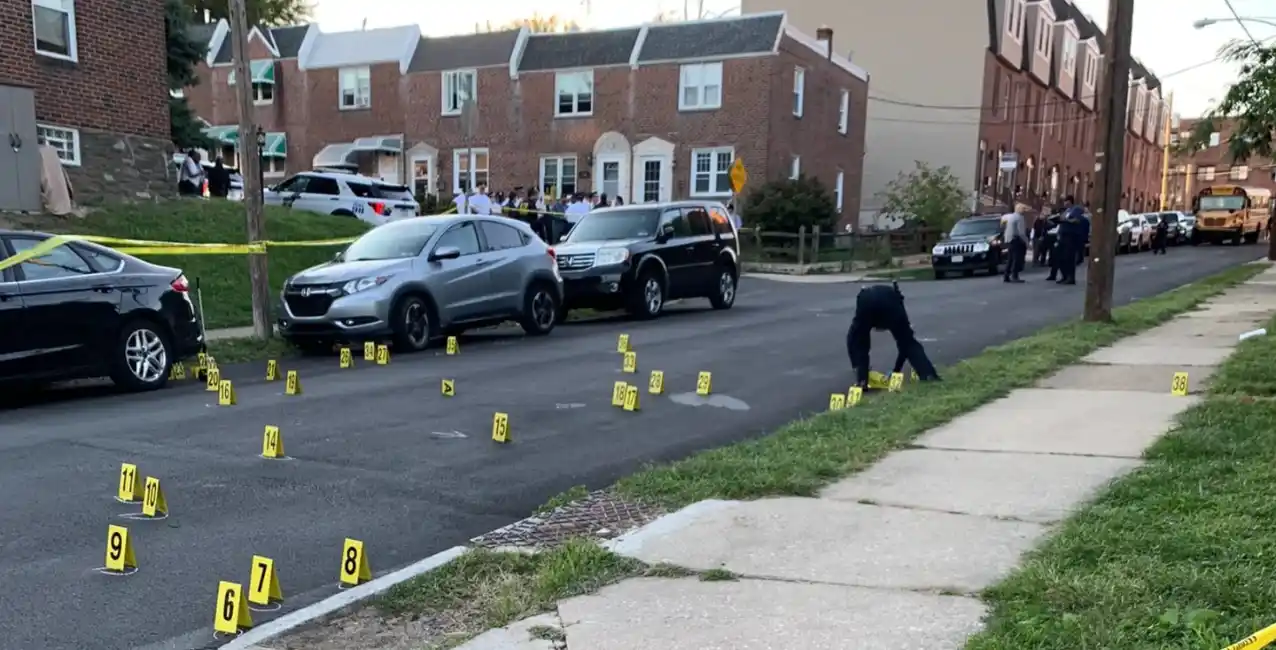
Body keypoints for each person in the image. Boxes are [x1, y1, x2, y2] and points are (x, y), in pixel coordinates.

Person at [846, 283, 940, 389]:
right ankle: (928, 375)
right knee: (909, 343)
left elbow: (853, 341)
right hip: (889, 304)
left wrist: (858, 366)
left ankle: (862, 380)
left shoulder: (869, 299)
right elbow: (904, 346)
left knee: (858, 340)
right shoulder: (896, 303)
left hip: (866, 301)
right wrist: (896, 370)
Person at [1002, 202, 1029, 283]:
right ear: (1020, 210)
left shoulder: (1008, 217)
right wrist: (1026, 241)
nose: (1025, 211)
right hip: (1017, 240)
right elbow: (1021, 232)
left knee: (1010, 258)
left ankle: (1006, 275)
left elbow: (1003, 225)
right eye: (1024, 209)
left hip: (1009, 239)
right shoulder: (1020, 218)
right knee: (1017, 259)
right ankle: (1015, 276)